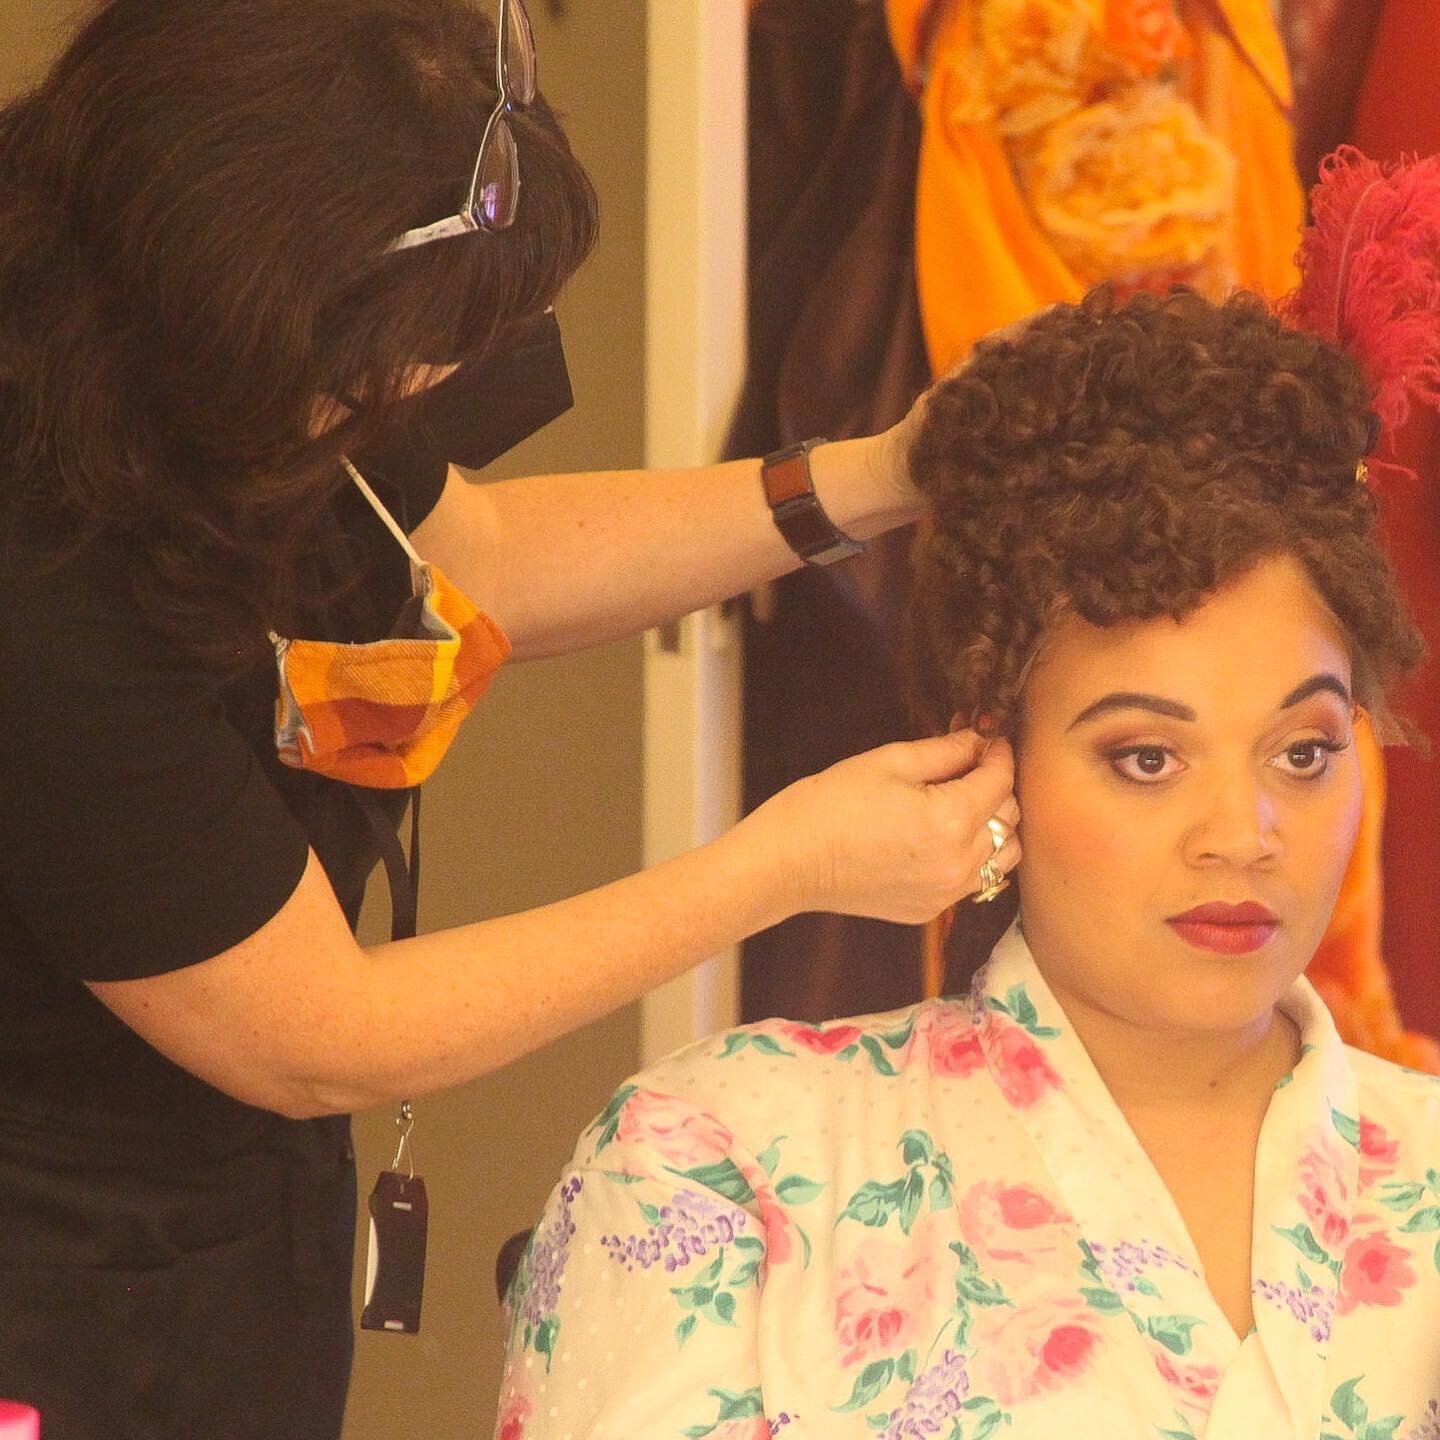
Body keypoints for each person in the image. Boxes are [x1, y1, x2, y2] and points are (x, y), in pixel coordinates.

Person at [0, 2, 1022, 1437]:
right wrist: (781, 865)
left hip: (235, 1232)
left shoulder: (200, 327)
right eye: (405, 363)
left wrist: (875, 475)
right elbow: (313, 1025)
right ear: (255, 309)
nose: (428, 391)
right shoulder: (42, 589)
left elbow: (463, 554)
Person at [493, 285, 1440, 1439]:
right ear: (996, 756)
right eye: (1147, 758)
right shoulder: (722, 1163)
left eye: (1302, 751)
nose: (1243, 832)